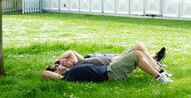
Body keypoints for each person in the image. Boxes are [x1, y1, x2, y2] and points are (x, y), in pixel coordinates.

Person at [42, 43, 172, 83]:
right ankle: (160, 76)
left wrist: (57, 63)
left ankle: (160, 72)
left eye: (59, 63)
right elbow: (44, 73)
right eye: (58, 66)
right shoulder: (68, 76)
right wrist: (53, 67)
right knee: (137, 54)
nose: (61, 64)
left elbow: (70, 52)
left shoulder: (76, 65)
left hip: (111, 67)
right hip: (111, 71)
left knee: (138, 49)